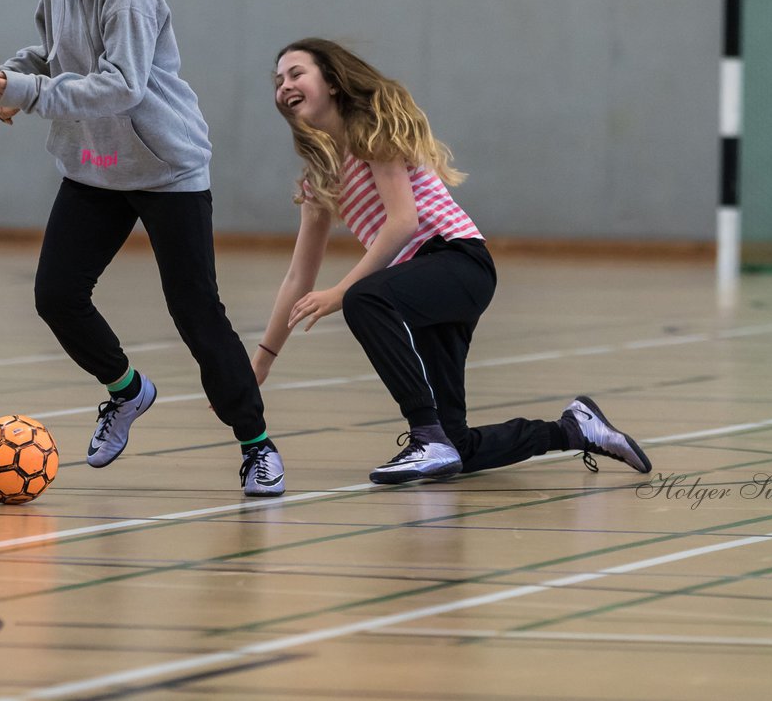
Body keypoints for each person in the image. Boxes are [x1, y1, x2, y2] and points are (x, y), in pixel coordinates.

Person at [0, 0, 284, 497]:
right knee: (57, 295)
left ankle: (258, 447)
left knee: (197, 313)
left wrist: (33, 93)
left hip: (165, 166)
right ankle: (127, 390)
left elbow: (121, 86)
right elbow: (51, 53)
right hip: (99, 163)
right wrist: (8, 76)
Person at [252, 38, 652, 484]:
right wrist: (263, 360)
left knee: (363, 299)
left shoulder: (371, 127)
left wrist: (341, 292)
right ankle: (575, 429)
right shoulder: (319, 177)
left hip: (456, 262)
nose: (284, 85)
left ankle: (425, 436)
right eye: (278, 80)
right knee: (458, 447)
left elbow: (403, 223)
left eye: (296, 73)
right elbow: (296, 278)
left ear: (331, 80)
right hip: (418, 284)